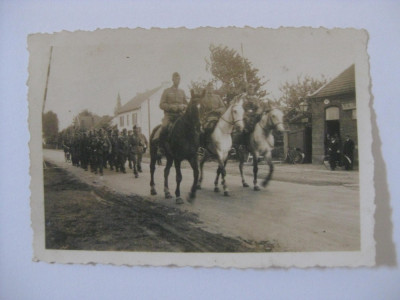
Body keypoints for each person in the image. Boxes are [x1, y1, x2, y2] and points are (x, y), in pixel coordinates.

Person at [157, 72, 188, 157]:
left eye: (179, 79)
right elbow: (161, 104)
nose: (178, 80)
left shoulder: (182, 92)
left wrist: (183, 106)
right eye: (176, 79)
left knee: (190, 126)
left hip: (180, 115)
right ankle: (161, 148)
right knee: (164, 127)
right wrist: (171, 107)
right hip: (169, 115)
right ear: (172, 79)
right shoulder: (166, 91)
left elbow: (187, 104)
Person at [198, 82, 226, 154]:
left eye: (212, 88)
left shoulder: (217, 97)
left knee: (228, 127)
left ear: (213, 89)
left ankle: (230, 147)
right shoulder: (203, 98)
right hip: (208, 118)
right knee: (206, 129)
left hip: (218, 118)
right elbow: (201, 111)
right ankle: (202, 147)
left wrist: (217, 110)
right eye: (209, 88)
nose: (210, 89)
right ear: (207, 89)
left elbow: (223, 108)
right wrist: (201, 120)